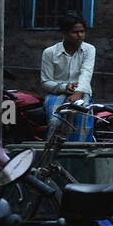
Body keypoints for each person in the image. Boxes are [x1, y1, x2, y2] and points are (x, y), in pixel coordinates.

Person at [41, 13, 95, 141]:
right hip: (56, 93)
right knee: (55, 120)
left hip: (81, 92)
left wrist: (78, 92)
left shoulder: (89, 49)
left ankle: (78, 155)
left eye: (82, 31)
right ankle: (53, 154)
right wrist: (65, 87)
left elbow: (86, 72)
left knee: (82, 120)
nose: (80, 35)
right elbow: (45, 82)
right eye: (75, 32)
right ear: (64, 33)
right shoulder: (50, 52)